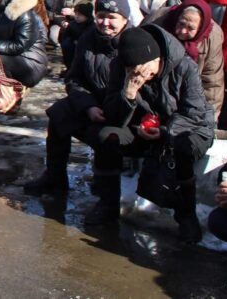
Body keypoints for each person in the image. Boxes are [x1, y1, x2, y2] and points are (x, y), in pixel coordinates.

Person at [85, 26, 214, 242]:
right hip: (143, 128)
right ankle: (108, 204)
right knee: (107, 136)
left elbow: (194, 113)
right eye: (132, 70)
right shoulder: (121, 67)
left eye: (143, 68)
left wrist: (164, 132)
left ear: (157, 58)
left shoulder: (184, 66)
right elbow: (113, 116)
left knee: (182, 148)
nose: (140, 74)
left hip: (187, 128)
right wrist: (128, 94)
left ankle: (186, 216)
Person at [23, 0, 132, 195]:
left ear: (125, 19)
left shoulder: (133, 43)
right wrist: (88, 105)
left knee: (107, 137)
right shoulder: (89, 38)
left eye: (112, 18)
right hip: (92, 105)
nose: (105, 23)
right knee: (58, 114)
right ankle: (55, 177)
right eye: (101, 16)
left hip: (123, 112)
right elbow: (74, 78)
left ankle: (107, 198)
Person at [159, 0, 224, 115]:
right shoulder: (160, 21)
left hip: (188, 93)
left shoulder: (212, 36)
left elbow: (212, 81)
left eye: (190, 28)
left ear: (201, 28)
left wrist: (209, 118)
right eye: (181, 23)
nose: (183, 31)